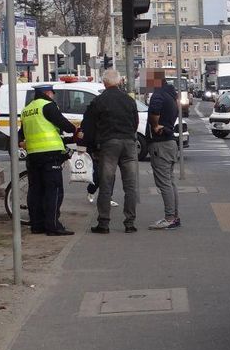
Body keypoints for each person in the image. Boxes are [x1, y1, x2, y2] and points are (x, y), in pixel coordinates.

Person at [18, 84, 78, 236]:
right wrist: (75, 130)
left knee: (35, 191)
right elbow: (65, 125)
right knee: (54, 191)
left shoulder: (27, 110)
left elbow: (20, 135)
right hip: (50, 155)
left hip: (33, 156)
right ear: (47, 93)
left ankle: (37, 225)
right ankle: (53, 226)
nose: (53, 96)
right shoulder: (48, 106)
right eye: (52, 93)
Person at [83, 69, 139, 234]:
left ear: (104, 83)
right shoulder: (129, 101)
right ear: (120, 81)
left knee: (106, 184)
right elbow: (135, 123)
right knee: (130, 186)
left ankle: (104, 223)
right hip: (129, 143)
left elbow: (89, 126)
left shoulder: (99, 101)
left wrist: (91, 148)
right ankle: (130, 223)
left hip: (108, 145)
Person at [146, 70, 181, 230]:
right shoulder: (171, 95)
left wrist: (154, 126)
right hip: (170, 143)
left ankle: (169, 218)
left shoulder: (158, 95)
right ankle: (174, 216)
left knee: (164, 183)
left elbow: (154, 111)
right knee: (170, 182)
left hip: (160, 144)